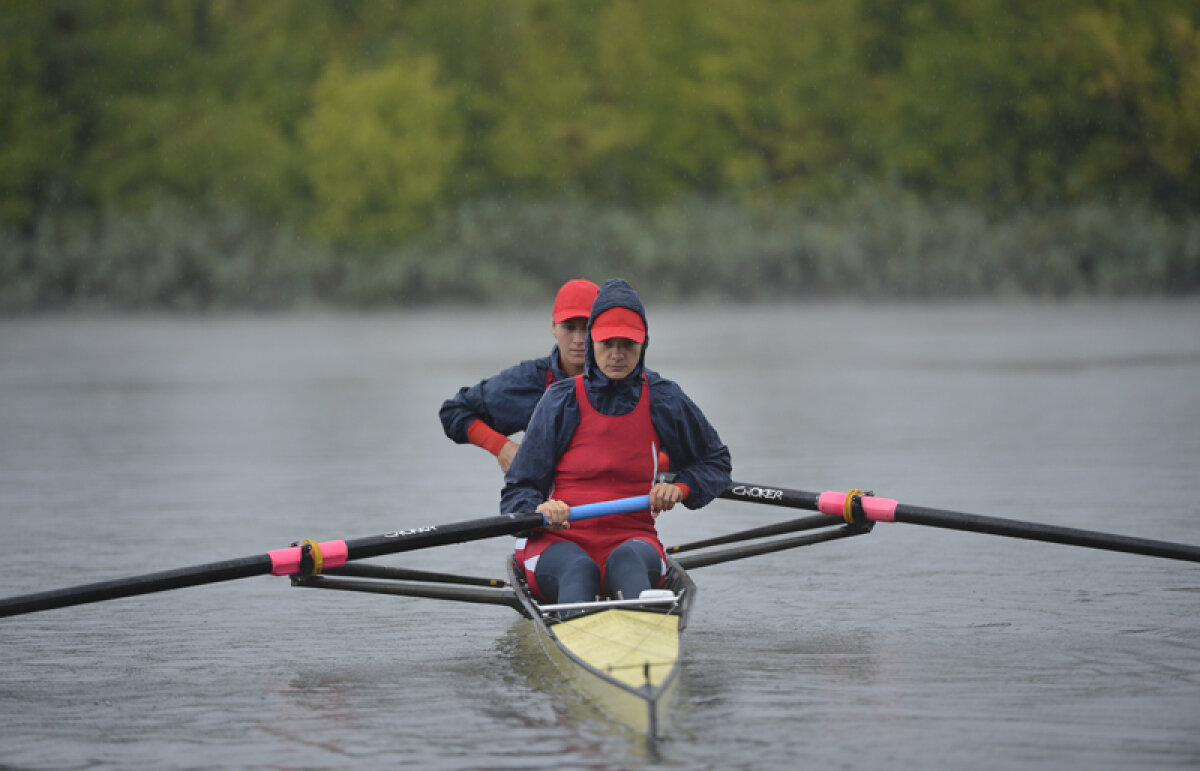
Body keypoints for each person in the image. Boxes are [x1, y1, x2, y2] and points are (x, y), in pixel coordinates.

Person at [500, 278, 732, 606]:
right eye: (607, 343)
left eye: (628, 344)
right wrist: (540, 507)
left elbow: (716, 463)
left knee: (629, 568)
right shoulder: (560, 400)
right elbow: (517, 492)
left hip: (633, 540)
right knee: (579, 572)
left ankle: (643, 639)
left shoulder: (664, 399)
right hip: (558, 542)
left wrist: (681, 488)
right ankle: (587, 628)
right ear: (593, 341)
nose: (617, 355)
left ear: (644, 344)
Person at [440, 278, 599, 473]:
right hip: (553, 500)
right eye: (569, 327)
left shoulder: (630, 381)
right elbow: (454, 411)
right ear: (554, 328)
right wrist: (501, 447)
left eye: (587, 328)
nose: (578, 339)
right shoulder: (531, 379)